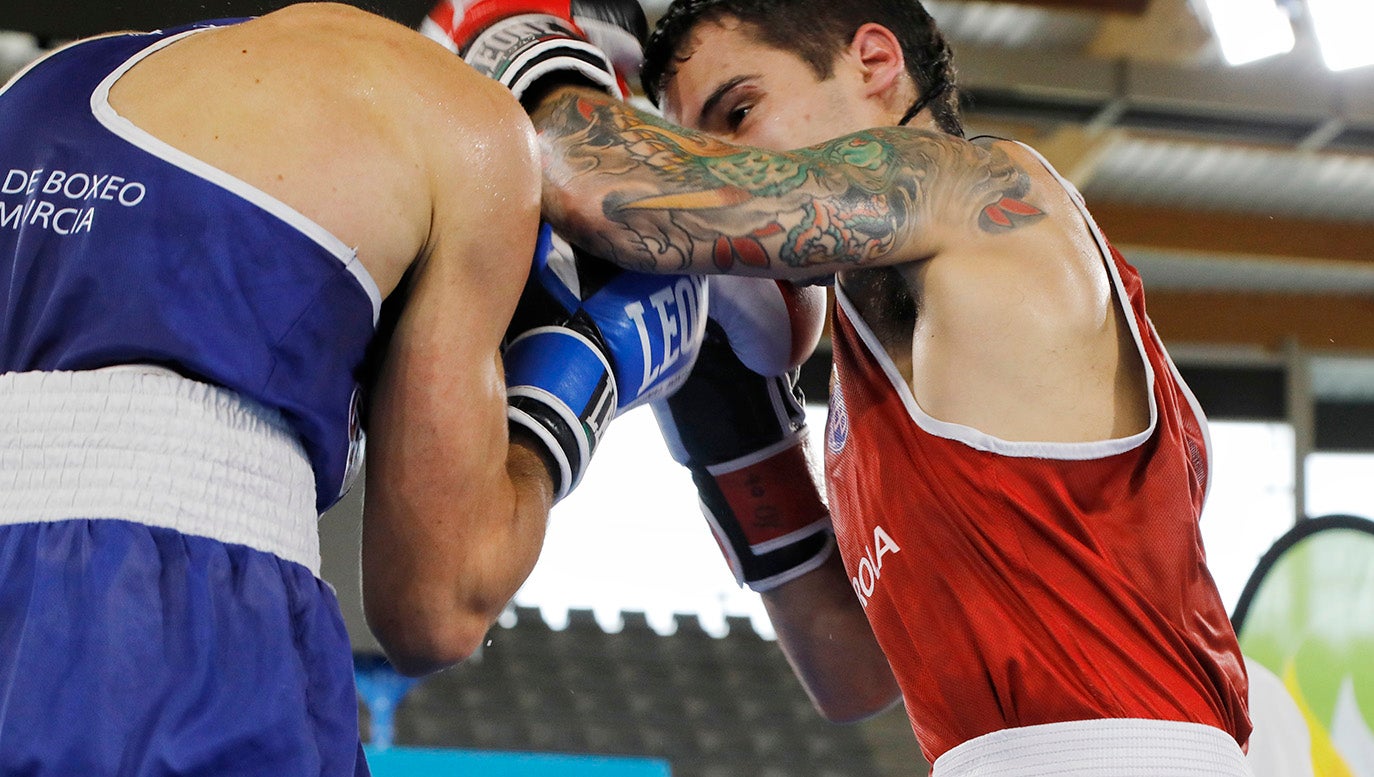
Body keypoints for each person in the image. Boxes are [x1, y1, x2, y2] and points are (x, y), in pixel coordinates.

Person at [435, 0, 1256, 772]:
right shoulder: (874, 368)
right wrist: (733, 426)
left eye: (738, 113)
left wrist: (521, 43)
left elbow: (624, 195)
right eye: (699, 137)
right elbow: (854, 675)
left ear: (874, 62)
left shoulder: (973, 188)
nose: (719, 155)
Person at [0, 4, 701, 774]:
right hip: (177, 621)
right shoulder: (465, 120)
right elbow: (436, 605)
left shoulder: (44, 80)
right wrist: (584, 374)